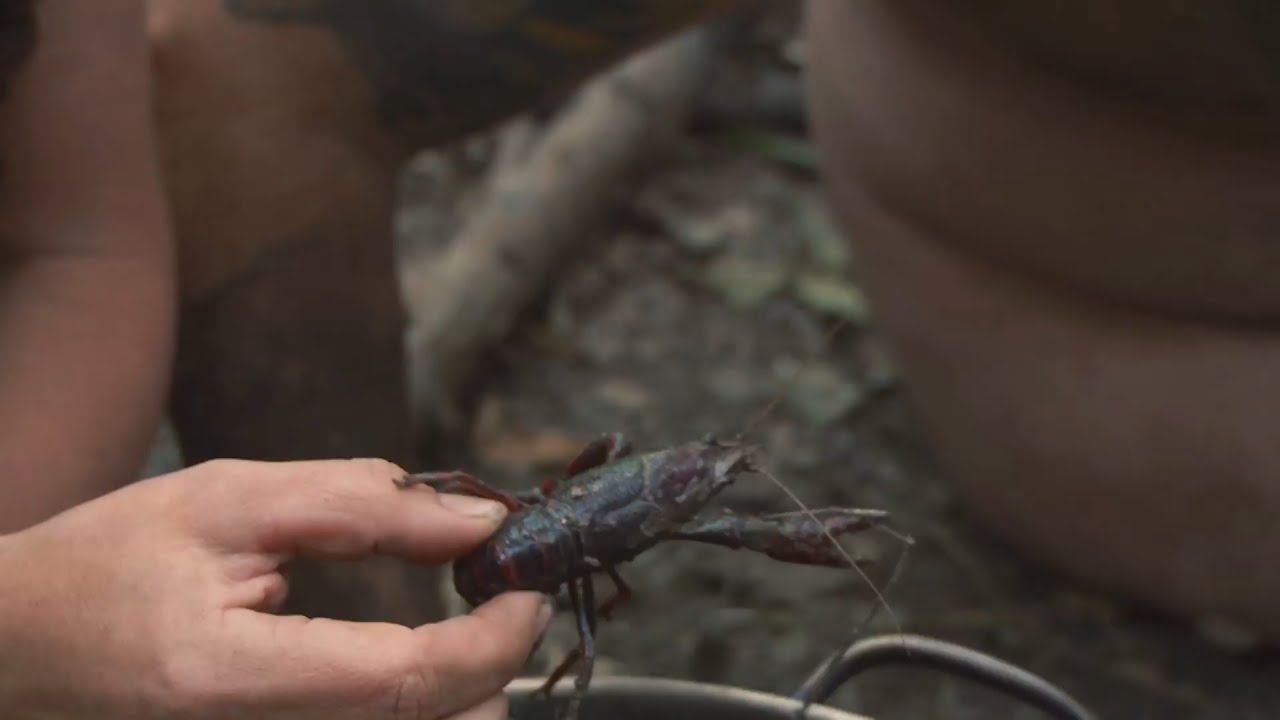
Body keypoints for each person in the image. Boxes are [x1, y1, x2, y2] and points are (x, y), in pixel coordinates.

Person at [2, 0, 1279, 716]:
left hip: (556, 528)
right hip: (537, 536)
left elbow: (81, 248)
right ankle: (392, 677)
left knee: (715, 498)